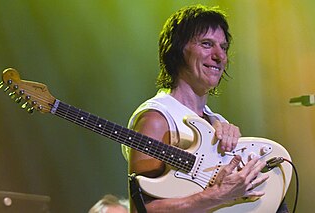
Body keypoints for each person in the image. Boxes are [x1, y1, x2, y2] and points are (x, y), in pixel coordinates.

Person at [122, 4, 285, 213]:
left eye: (223, 47)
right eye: (207, 44)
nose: (220, 56)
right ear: (177, 50)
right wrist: (217, 195)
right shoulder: (157, 119)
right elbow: (140, 210)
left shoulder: (217, 122)